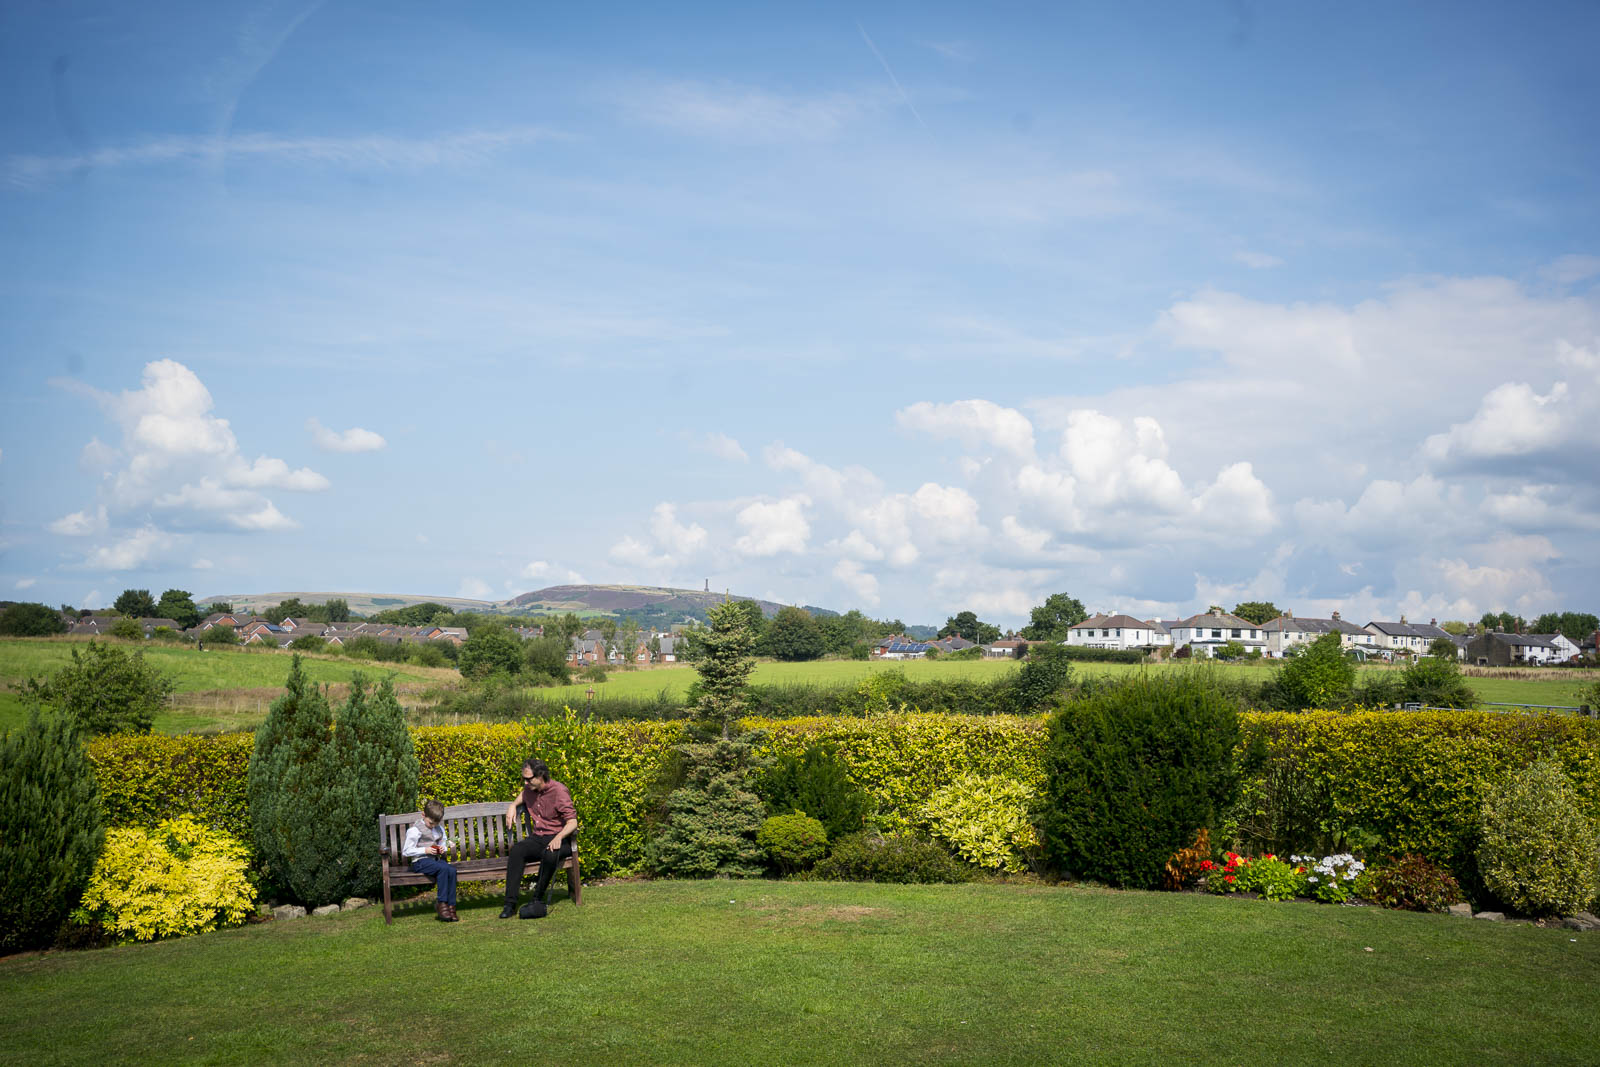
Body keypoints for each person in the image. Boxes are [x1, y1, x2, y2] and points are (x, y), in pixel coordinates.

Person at [499, 758, 578, 919]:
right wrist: (513, 806)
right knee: (517, 851)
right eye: (524, 779)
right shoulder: (529, 789)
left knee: (550, 854)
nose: (526, 783)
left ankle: (536, 899)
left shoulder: (559, 791)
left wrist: (559, 836)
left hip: (560, 839)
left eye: (529, 779)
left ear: (541, 776)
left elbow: (572, 822)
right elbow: (523, 795)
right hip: (538, 837)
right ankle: (510, 904)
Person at [404, 798, 459, 922]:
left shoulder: (439, 829)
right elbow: (406, 851)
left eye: (436, 823)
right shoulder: (415, 830)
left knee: (451, 870)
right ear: (423, 815)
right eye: (430, 823)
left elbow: (442, 842)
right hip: (420, 861)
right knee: (443, 868)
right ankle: (442, 903)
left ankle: (451, 907)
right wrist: (425, 850)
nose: (433, 826)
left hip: (435, 861)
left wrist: (444, 847)